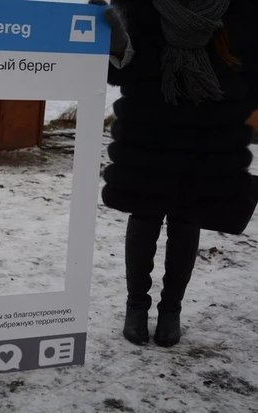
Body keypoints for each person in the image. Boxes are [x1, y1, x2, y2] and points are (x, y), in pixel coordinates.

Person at [90, 0, 258, 346]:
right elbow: (125, 70)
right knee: (145, 215)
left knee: (187, 218)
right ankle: (136, 306)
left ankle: (171, 310)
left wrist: (230, 108)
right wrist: (117, 47)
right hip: (151, 127)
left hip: (209, 132)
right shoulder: (140, 4)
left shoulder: (239, 8)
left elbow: (252, 71)